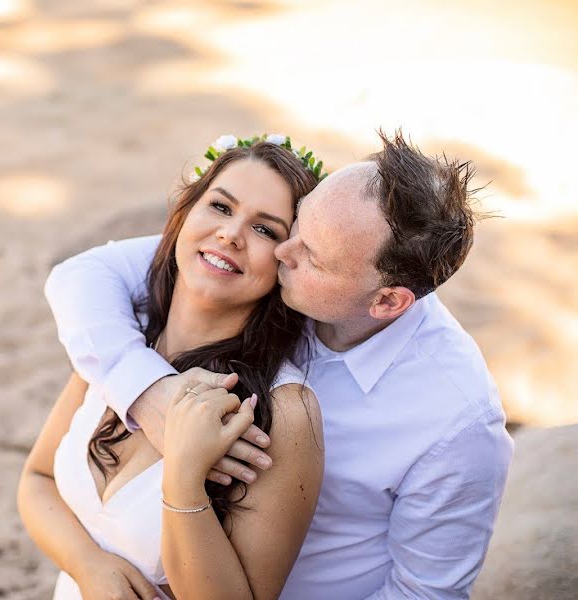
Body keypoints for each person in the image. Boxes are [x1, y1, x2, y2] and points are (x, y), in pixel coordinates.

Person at [42, 130, 514, 599]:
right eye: (297, 224)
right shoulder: (256, 280)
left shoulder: (458, 421)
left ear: (387, 301)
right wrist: (148, 394)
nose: (279, 252)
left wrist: (184, 477)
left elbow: (424, 594)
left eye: (305, 250)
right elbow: (84, 274)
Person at [18, 136, 326, 599]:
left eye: (266, 230)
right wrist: (89, 566)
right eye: (221, 207)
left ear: (288, 263)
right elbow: (37, 481)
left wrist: (184, 480)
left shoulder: (285, 412)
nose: (231, 234)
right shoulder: (123, 336)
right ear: (185, 213)